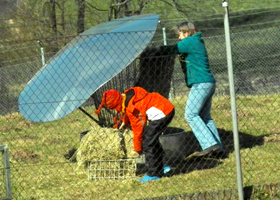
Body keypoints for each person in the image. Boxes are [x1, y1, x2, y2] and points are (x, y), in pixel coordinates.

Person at [159, 21, 223, 157]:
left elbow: (171, 49)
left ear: (187, 32)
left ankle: (209, 145)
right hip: (208, 82)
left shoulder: (190, 41)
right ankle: (218, 149)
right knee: (205, 117)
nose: (179, 37)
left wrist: (152, 50)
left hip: (201, 83)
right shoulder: (196, 41)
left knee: (191, 114)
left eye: (180, 34)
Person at [94, 86, 175, 182]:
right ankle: (162, 167)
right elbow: (127, 109)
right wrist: (125, 121)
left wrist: (138, 149)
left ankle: (153, 174)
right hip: (165, 107)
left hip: (163, 113)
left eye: (115, 108)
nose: (117, 110)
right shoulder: (128, 96)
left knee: (147, 142)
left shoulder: (133, 107)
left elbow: (138, 129)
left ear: (117, 104)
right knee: (152, 140)